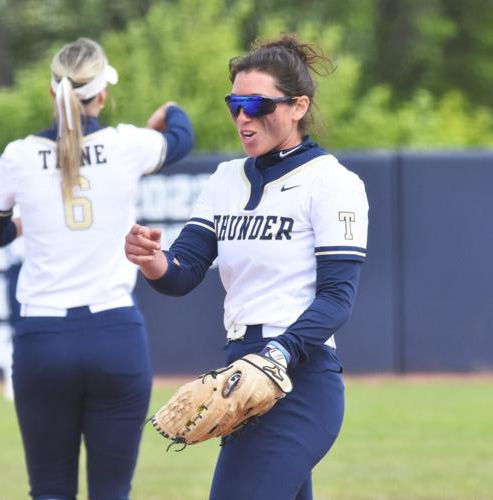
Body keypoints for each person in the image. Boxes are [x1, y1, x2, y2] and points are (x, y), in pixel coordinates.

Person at [124, 33, 368, 500]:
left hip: (300, 378)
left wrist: (276, 354)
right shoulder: (225, 180)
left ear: (298, 106)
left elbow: (338, 298)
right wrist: (154, 260)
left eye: (258, 103)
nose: (243, 116)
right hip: (241, 375)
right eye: (235, 103)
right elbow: (183, 271)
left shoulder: (333, 182)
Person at [0, 37, 193, 500]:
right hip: (115, 335)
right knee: (111, 493)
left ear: (53, 93)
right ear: (102, 95)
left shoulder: (19, 155)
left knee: (50, 492)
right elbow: (182, 137)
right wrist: (168, 110)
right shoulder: (126, 144)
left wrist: (21, 225)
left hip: (44, 339)